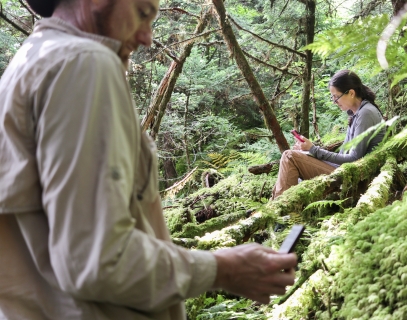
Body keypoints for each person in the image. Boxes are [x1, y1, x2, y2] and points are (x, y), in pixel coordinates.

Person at [0, 0, 297, 319]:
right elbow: (98, 259)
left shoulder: (26, 65)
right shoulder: (85, 62)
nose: (147, 37)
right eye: (142, 12)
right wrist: (223, 269)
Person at [272, 70, 385, 199]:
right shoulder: (357, 114)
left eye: (336, 96)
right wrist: (310, 152)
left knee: (289, 156)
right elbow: (344, 155)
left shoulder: (366, 113)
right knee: (291, 162)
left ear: (351, 93)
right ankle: (274, 208)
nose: (334, 101)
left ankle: (278, 213)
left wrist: (314, 150)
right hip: (346, 171)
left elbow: (354, 159)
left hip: (354, 177)